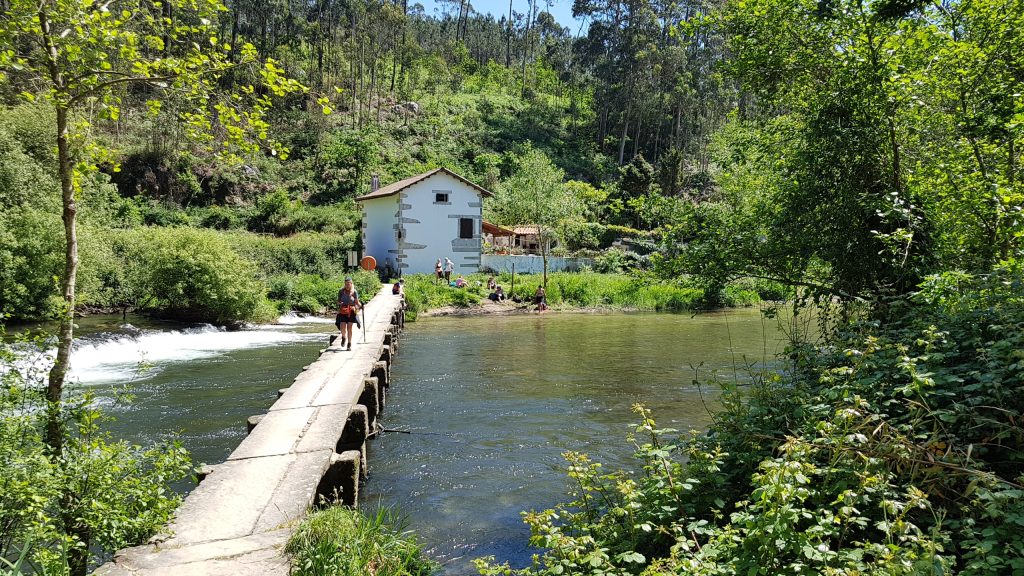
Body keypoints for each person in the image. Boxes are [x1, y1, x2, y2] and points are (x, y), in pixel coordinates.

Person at [335, 277, 361, 350]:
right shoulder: (341, 291)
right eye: (346, 284)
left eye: (348, 284)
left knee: (349, 327)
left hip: (351, 311)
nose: (347, 285)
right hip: (343, 311)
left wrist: (359, 304)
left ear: (351, 284)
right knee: (342, 327)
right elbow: (338, 301)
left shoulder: (354, 292)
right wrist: (340, 303)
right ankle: (344, 337)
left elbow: (357, 303)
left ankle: (349, 344)